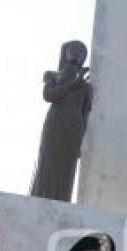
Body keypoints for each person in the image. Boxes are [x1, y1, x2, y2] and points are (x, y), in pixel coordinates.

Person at [30, 40, 93, 202]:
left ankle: (62, 199)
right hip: (56, 122)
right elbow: (49, 96)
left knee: (67, 167)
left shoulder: (87, 87)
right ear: (65, 52)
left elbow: (85, 115)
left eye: (82, 51)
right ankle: (40, 196)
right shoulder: (53, 75)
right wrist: (73, 84)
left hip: (74, 127)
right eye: (74, 49)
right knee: (48, 161)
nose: (78, 53)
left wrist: (81, 142)